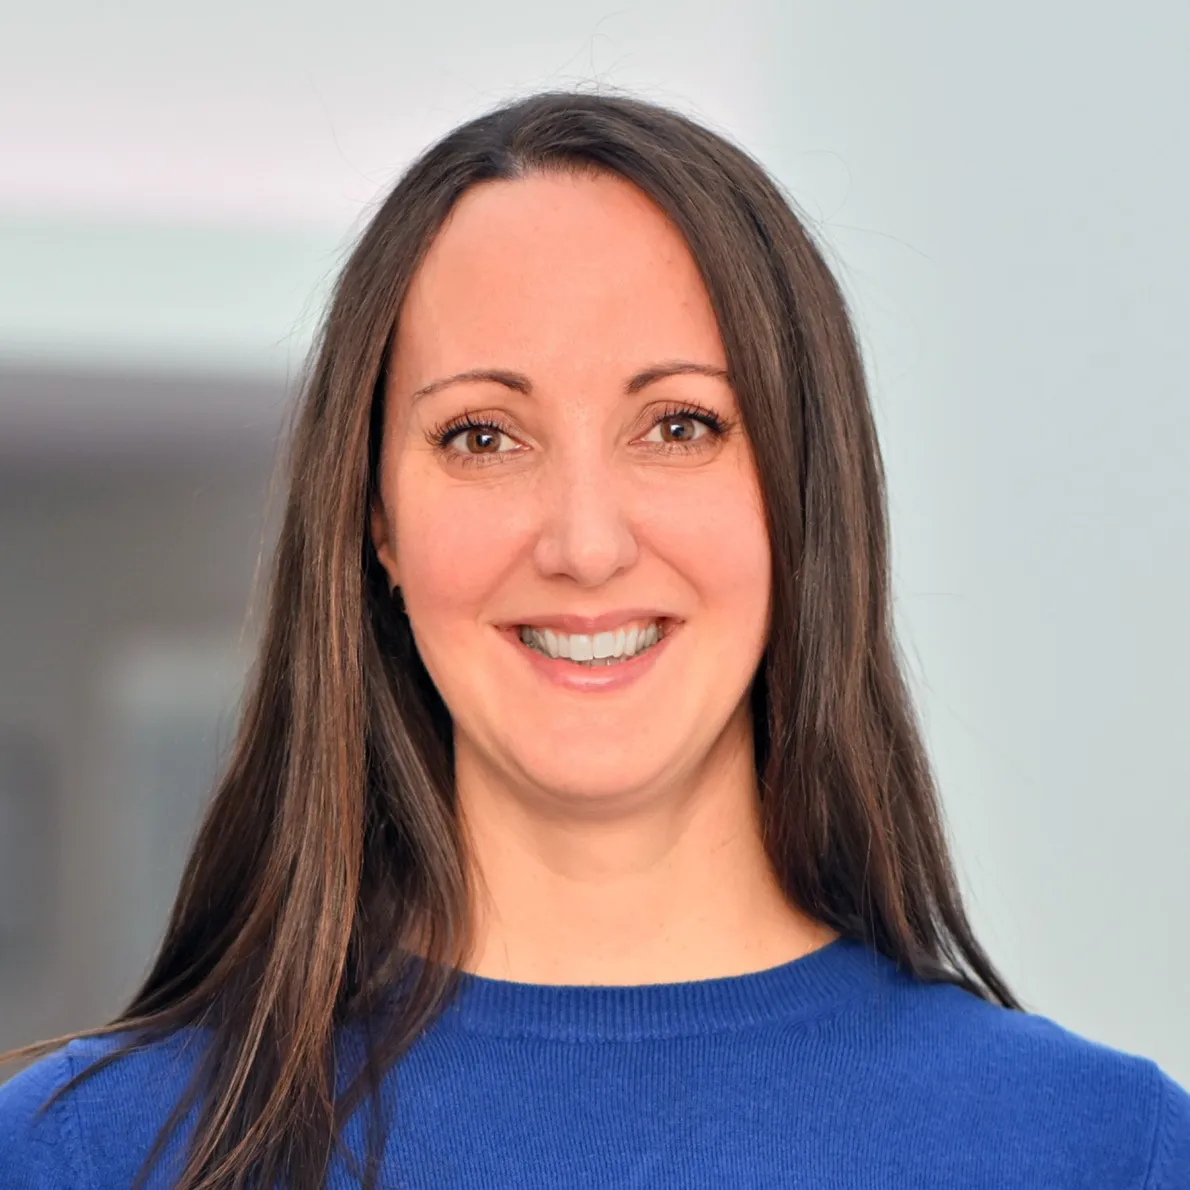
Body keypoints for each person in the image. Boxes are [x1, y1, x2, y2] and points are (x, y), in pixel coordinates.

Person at [1, 87, 1187, 1190]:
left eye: (677, 424)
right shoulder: (85, 1153)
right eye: (481, 436)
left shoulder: (1100, 1149)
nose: (582, 541)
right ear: (376, 519)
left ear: (801, 494)